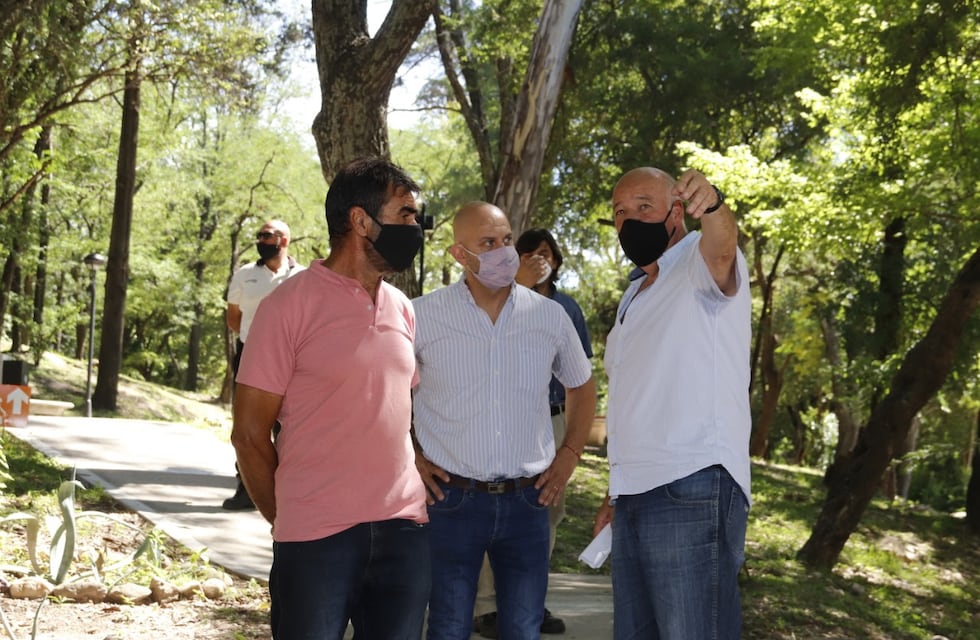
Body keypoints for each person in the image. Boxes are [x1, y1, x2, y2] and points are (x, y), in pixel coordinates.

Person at [231, 157, 431, 640]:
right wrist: (291, 517)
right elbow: (249, 435)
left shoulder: (402, 307)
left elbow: (394, 412)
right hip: (316, 537)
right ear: (361, 221)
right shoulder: (287, 306)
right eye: (405, 214)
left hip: (403, 530)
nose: (416, 227)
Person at [412, 202, 597, 640]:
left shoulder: (549, 316)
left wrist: (570, 454)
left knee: (523, 628)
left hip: (528, 502)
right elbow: (388, 390)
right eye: (488, 244)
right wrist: (412, 455)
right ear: (460, 254)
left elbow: (582, 386)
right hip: (450, 501)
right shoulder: (423, 315)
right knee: (447, 626)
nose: (503, 252)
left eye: (507, 240)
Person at [593, 167, 751, 639]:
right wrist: (613, 491)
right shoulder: (633, 294)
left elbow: (722, 245)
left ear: (677, 211)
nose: (630, 220)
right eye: (620, 212)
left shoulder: (697, 263)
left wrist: (716, 206)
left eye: (644, 206)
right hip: (635, 493)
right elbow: (634, 398)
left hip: (693, 483)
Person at [472, 228, 594, 638]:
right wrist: (519, 288)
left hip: (555, 419)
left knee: (547, 512)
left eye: (546, 254)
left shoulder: (567, 308)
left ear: (556, 262)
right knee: (499, 506)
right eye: (529, 254)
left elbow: (583, 377)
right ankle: (488, 606)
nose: (539, 260)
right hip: (509, 419)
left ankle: (531, 602)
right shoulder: (494, 300)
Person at [223, 219, 305, 510]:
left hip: (294, 359)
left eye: (267, 236)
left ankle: (287, 493)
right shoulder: (244, 275)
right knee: (248, 425)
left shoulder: (302, 277)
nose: (260, 240)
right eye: (259, 235)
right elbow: (234, 317)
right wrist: (257, 342)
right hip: (250, 355)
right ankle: (245, 489)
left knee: (286, 426)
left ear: (284, 241)